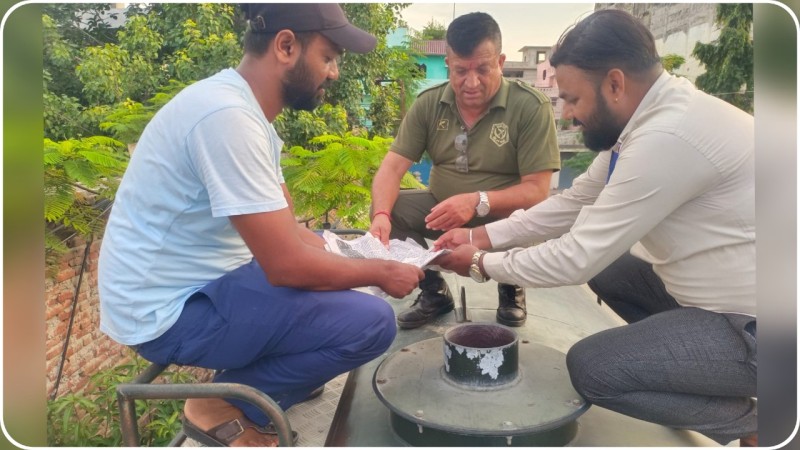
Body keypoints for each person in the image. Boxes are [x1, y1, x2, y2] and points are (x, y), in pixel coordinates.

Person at [98, 4, 424, 447]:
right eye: (328, 58)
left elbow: (290, 233)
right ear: (286, 46)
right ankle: (223, 403)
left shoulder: (243, 114)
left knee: (341, 283)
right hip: (168, 313)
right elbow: (286, 266)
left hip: (208, 284)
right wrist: (382, 273)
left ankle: (281, 377)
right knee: (372, 323)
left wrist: (358, 253)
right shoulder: (225, 118)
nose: (334, 74)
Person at [432, 9, 756, 447]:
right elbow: (572, 202)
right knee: (616, 268)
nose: (567, 114)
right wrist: (478, 236)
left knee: (594, 368)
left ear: (615, 84)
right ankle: (697, 369)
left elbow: (576, 257)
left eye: (572, 99)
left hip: (761, 325)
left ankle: (758, 424)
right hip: (729, 293)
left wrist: (478, 263)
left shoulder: (668, 139)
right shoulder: (647, 120)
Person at [369, 12, 560, 329]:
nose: (471, 83)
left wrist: (477, 200)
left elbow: (537, 191)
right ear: (448, 64)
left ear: (500, 61)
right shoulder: (428, 104)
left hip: (504, 214)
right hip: (442, 210)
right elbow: (390, 169)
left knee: (523, 215)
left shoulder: (530, 106)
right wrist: (380, 217)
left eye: (483, 69)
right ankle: (434, 291)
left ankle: (511, 287)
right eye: (460, 71)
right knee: (393, 207)